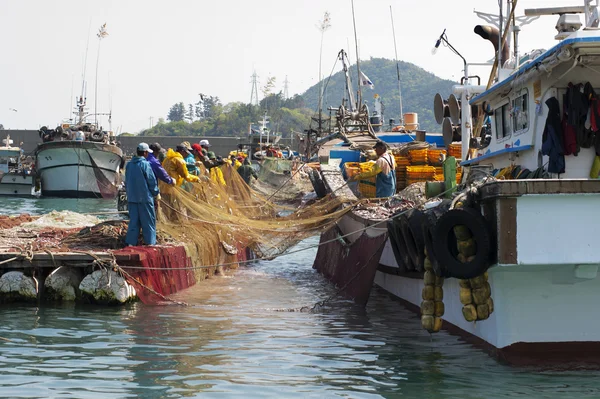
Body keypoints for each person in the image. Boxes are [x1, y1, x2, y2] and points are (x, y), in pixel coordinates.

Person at [125, 143, 159, 246]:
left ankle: (130, 244)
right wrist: (156, 193)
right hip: (145, 199)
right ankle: (150, 244)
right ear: (144, 153)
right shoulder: (145, 164)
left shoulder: (129, 165)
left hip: (132, 198)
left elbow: (126, 180)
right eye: (147, 152)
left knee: (133, 223)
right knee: (148, 223)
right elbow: (151, 181)